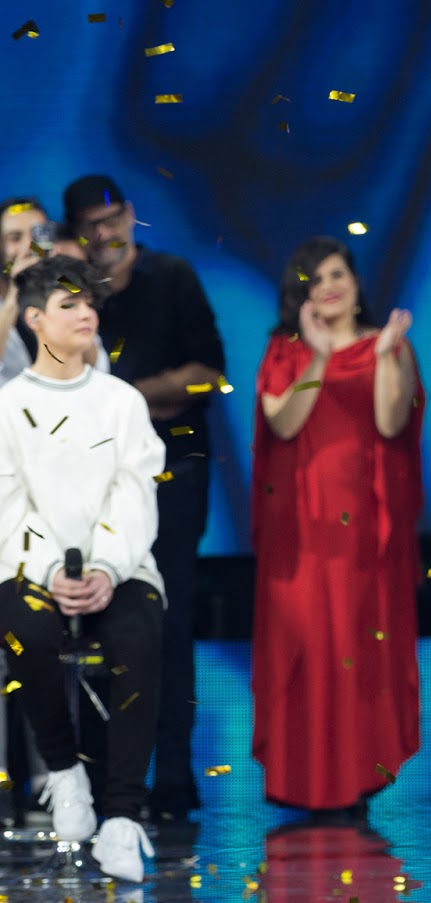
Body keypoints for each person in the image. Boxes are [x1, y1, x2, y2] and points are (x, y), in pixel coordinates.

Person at [63, 175, 226, 822]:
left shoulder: (173, 278)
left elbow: (209, 375)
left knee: (171, 622)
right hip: (93, 484)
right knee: (100, 625)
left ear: (131, 215)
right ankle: (106, 785)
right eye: (91, 224)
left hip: (173, 474)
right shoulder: (76, 295)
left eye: (113, 219)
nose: (105, 233)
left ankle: (176, 781)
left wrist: (125, 399)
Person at [0, 257, 165, 880]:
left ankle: (122, 816)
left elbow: (136, 490)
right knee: (27, 628)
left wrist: (105, 567)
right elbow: (8, 502)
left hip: (118, 567)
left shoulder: (122, 401)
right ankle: (64, 772)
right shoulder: (8, 406)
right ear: (35, 319)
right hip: (28, 566)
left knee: (139, 636)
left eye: (89, 303)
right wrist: (51, 568)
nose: (85, 313)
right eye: (68, 304)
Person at [251, 237, 423, 813]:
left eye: (336, 274)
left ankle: (355, 782)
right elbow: (283, 422)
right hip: (301, 524)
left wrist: (386, 355)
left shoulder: (388, 344)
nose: (328, 286)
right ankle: (304, 782)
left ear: (355, 282)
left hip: (366, 523)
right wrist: (319, 359)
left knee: (357, 641)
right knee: (305, 643)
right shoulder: (285, 351)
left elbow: (391, 421)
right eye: (315, 279)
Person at [2, 198, 106, 383]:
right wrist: (14, 295)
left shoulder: (67, 289)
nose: (29, 247)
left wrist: (64, 286)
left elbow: (97, 366)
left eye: (38, 235)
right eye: (15, 238)